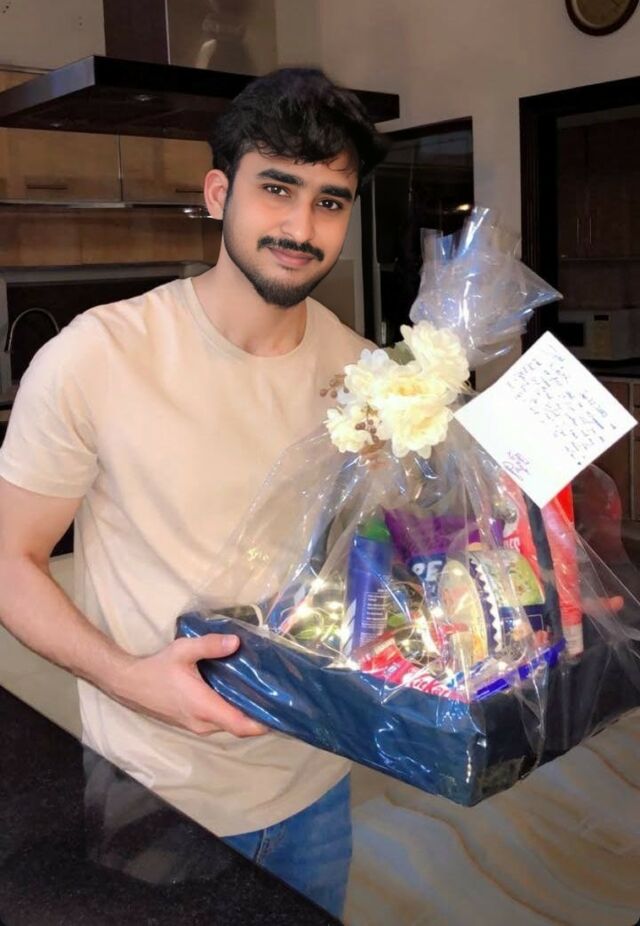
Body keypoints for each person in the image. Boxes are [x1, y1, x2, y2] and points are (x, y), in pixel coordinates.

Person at [0, 68, 387, 918]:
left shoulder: (364, 375)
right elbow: (10, 561)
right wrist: (130, 679)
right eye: (276, 188)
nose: (301, 227)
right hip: (155, 787)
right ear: (218, 194)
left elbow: (376, 556)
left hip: (316, 779)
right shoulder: (97, 357)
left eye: (329, 201)